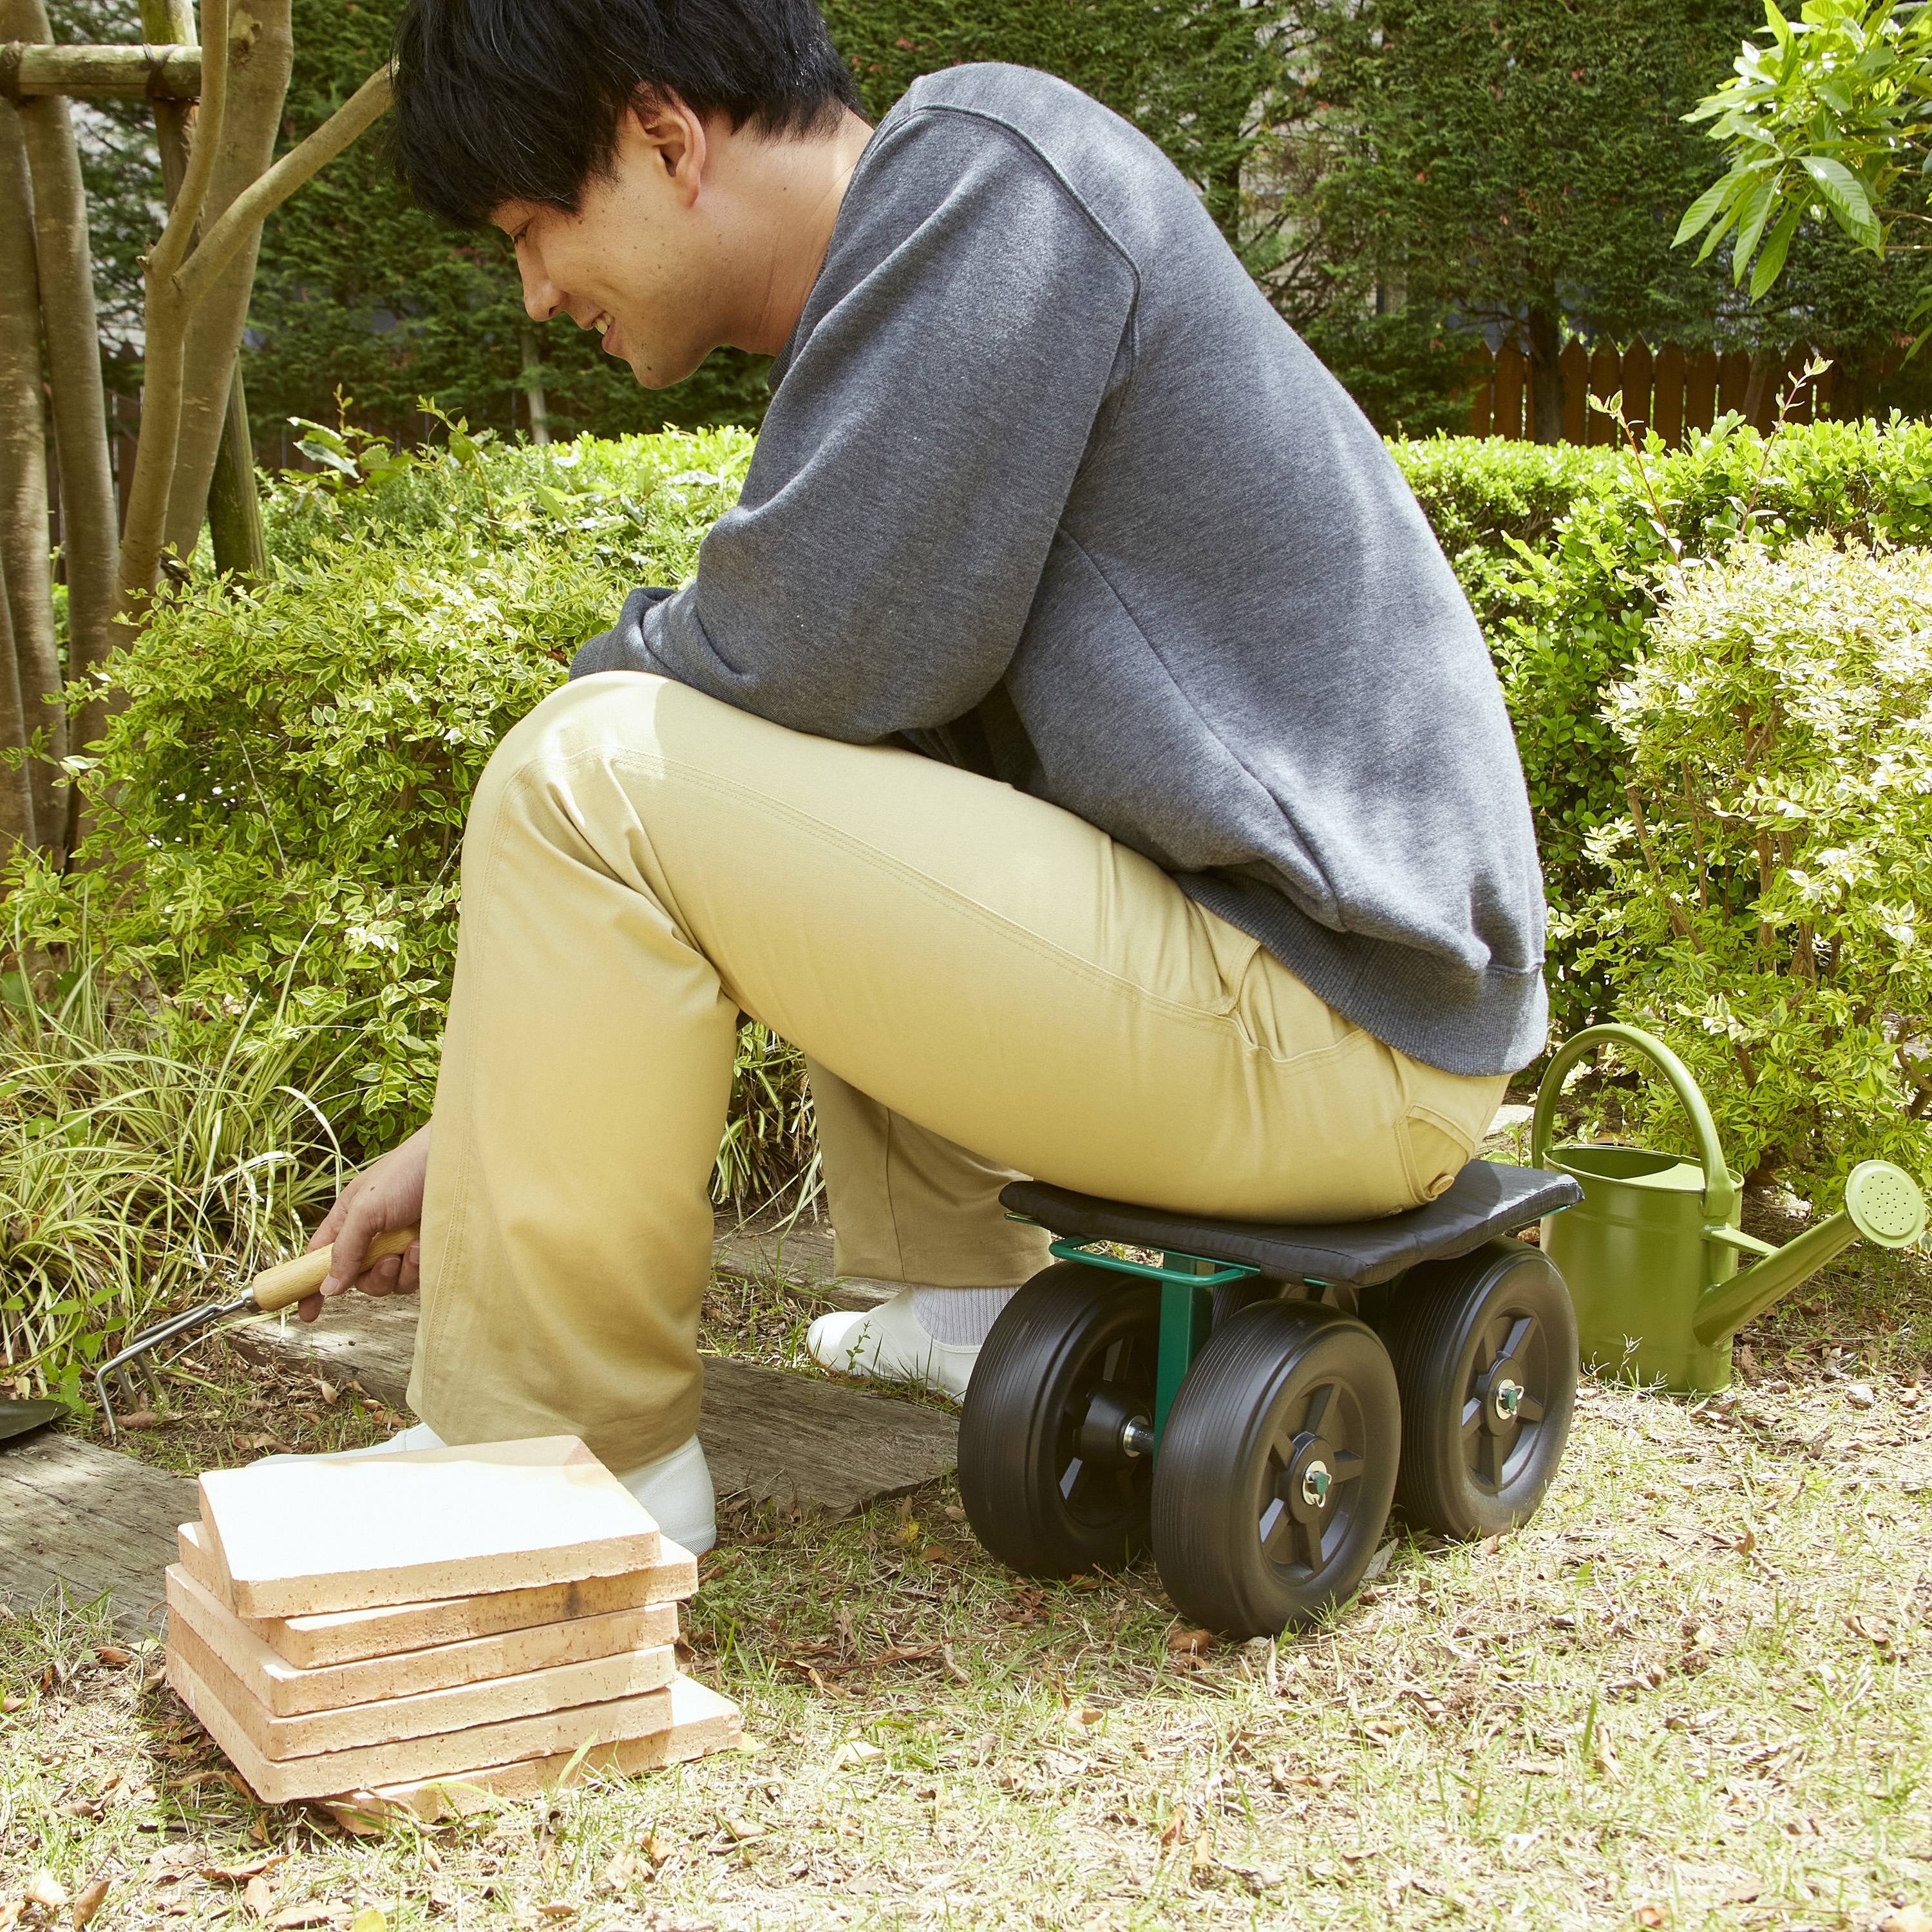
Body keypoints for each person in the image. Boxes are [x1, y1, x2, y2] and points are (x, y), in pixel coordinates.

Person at [299, 0, 1548, 1558]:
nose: (540, 293)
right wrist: (482, 1140)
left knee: (586, 773)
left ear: (664, 138)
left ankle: (564, 1465)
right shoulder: (903, 278)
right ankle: (967, 1306)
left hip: (1337, 1022)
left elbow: (798, 648)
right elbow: (833, 732)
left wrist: (619, 678)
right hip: (1318, 1017)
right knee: (779, 751)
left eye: (530, 231)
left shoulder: (990, 172)